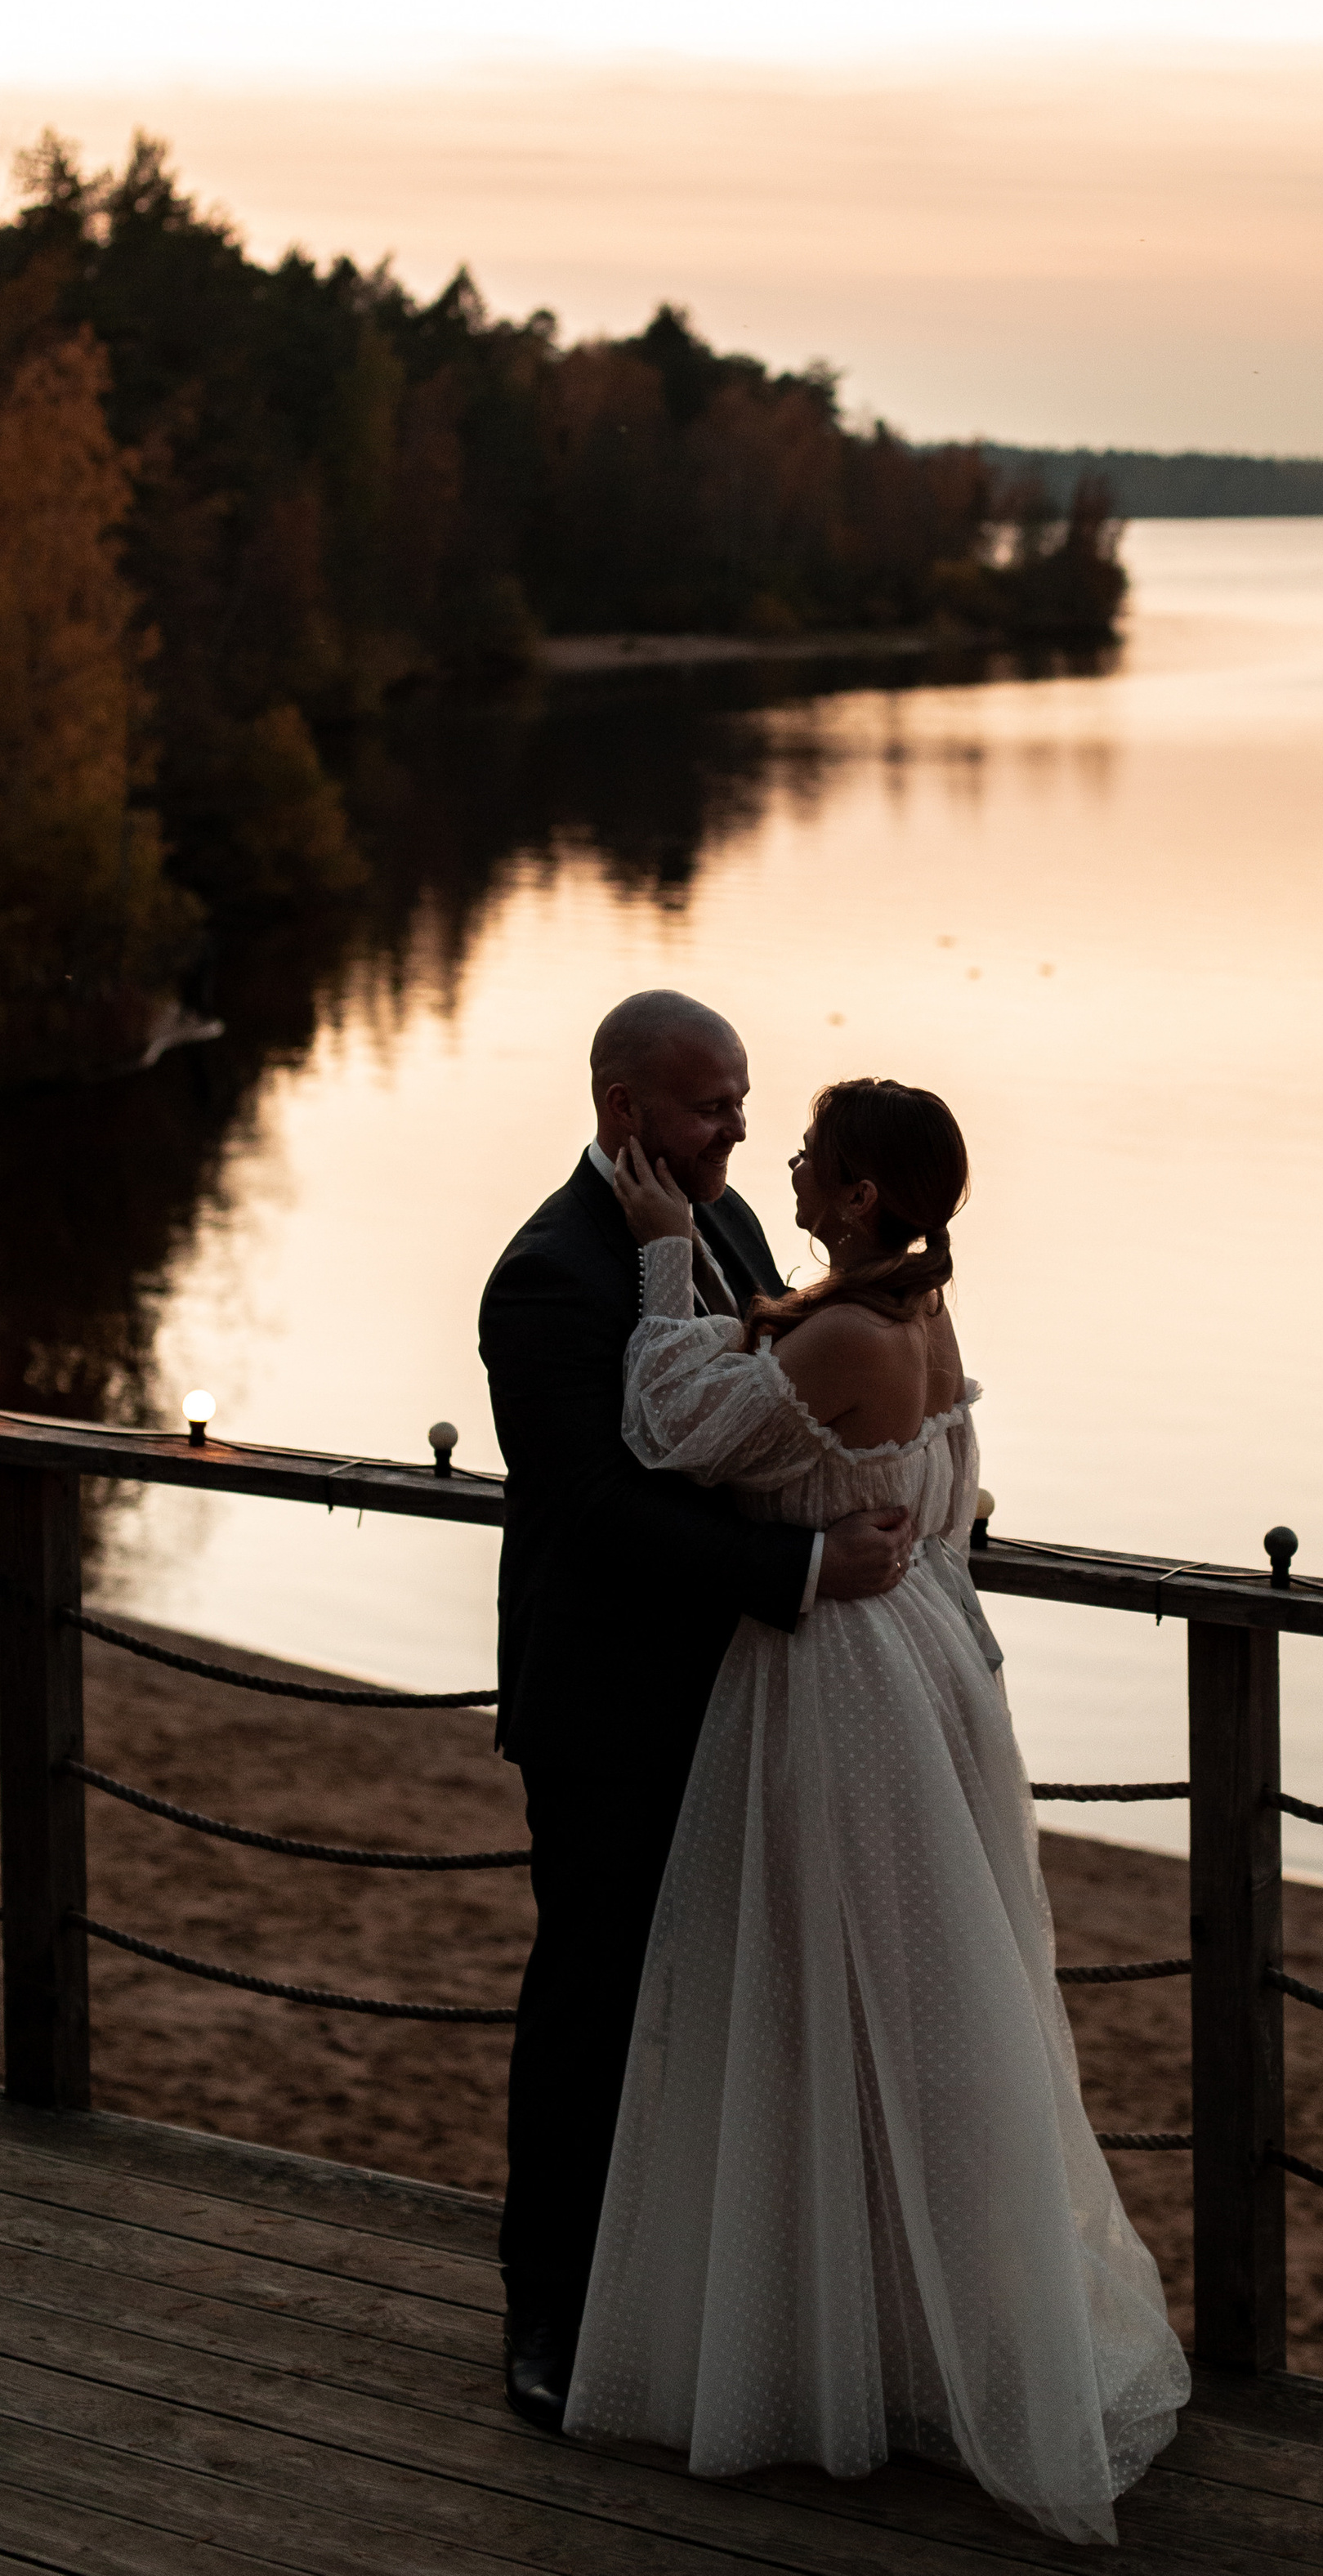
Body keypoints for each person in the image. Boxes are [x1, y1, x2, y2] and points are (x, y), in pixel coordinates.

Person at [563, 1076, 1189, 2546]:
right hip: (908, 1653)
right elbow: (956, 1483)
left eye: (808, 1154)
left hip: (833, 1684)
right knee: (894, 2014)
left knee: (823, 2000)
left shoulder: (853, 1330)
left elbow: (668, 1426)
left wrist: (665, 1255)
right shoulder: (913, 1316)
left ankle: (855, 2353)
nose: (778, 1156)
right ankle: (900, 2339)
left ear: (855, 1196)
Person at [478, 993, 914, 2433]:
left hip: (737, 1692)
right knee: (593, 2006)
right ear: (625, 1113)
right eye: (708, 1104)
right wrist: (799, 1564)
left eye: (741, 1098)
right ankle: (545, 2313)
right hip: (607, 1698)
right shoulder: (546, 1276)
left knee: (730, 2003)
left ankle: (702, 2292)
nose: (736, 1125)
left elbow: (761, 1408)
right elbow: (598, 1508)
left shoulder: (719, 1228)